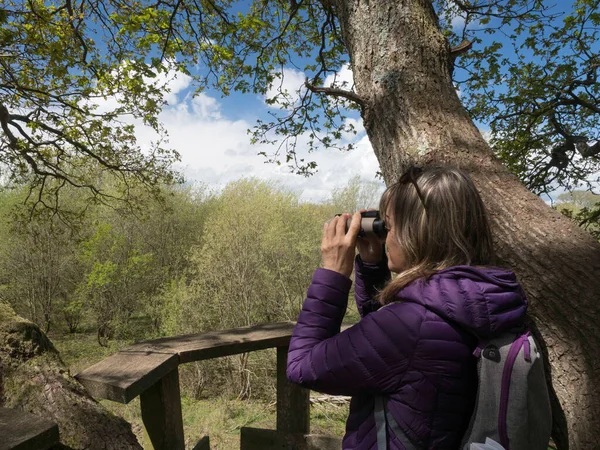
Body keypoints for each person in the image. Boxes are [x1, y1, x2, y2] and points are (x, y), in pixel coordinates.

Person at [286, 165, 529, 449]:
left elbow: (301, 365)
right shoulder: (480, 298)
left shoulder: (410, 324)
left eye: (388, 227)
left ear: (416, 232)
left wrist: (333, 275)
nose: (385, 237)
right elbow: (385, 347)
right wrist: (372, 266)